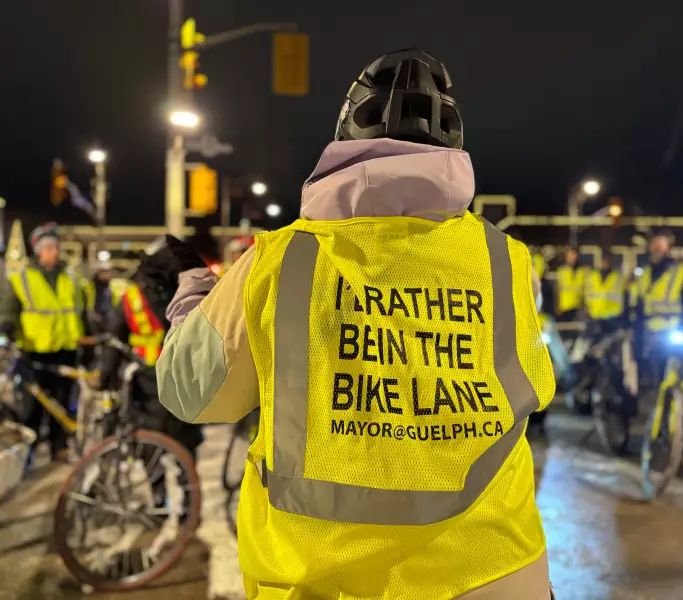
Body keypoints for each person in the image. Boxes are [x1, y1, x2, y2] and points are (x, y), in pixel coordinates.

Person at [156, 49, 556, 600]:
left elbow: (190, 393)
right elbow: (529, 386)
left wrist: (191, 293)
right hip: (496, 573)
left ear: (344, 138)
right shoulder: (505, 261)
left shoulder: (280, 259)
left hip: (316, 581)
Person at [96, 239, 204, 456]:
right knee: (182, 439)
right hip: (176, 380)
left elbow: (115, 339)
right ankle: (185, 475)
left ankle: (170, 475)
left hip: (150, 382)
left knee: (154, 441)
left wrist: (106, 373)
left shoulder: (133, 297)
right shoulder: (187, 293)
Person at [0, 222, 94, 461]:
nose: (54, 251)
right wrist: (8, 329)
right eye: (49, 247)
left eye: (56, 246)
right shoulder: (22, 278)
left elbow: (81, 310)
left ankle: (59, 447)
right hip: (35, 350)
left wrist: (88, 337)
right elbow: (9, 310)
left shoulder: (71, 276)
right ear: (38, 250)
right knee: (32, 405)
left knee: (61, 402)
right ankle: (27, 454)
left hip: (66, 348)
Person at [632, 229, 683, 385]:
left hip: (672, 332)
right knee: (650, 380)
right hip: (650, 334)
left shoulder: (681, 272)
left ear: (669, 247)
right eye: (654, 244)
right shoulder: (645, 274)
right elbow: (639, 307)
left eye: (661, 244)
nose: (657, 248)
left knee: (673, 378)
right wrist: (637, 335)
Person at [584, 251, 627, 334]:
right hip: (595, 316)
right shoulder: (591, 276)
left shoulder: (618, 277)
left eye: (608, 260)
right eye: (604, 259)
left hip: (612, 317)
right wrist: (587, 310)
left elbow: (623, 296)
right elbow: (586, 295)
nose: (606, 262)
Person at [555, 247, 584, 321]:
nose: (573, 258)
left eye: (575, 256)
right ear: (566, 257)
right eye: (571, 256)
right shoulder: (561, 271)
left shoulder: (582, 272)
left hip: (578, 308)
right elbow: (557, 291)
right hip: (564, 309)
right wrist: (557, 307)